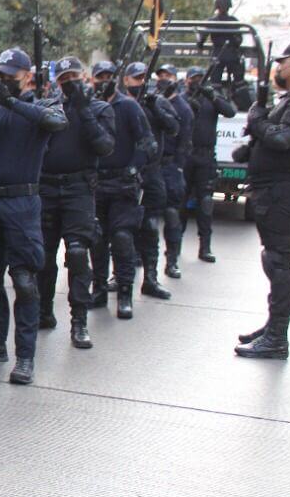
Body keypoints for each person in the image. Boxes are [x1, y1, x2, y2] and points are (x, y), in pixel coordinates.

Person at [0, 48, 67, 384]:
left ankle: (25, 356)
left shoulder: (43, 104)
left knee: (23, 281)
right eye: (1, 72)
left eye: (12, 73)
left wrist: (11, 102)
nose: (5, 78)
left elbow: (55, 123)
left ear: (26, 75)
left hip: (22, 203)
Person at [235, 42, 290, 359]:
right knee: (272, 260)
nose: (279, 68)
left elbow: (284, 139)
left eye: (283, 62)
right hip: (272, 190)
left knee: (279, 262)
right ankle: (273, 326)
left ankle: (277, 337)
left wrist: (257, 119)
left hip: (283, 191)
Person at [35, 55, 114, 351]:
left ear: (84, 77)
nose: (69, 84)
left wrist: (83, 110)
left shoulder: (99, 109)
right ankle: (43, 311)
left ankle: (79, 321)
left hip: (79, 188)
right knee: (43, 254)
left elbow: (105, 146)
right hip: (47, 187)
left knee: (79, 253)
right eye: (64, 79)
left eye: (74, 78)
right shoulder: (51, 107)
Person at [89, 62, 153, 319]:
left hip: (123, 184)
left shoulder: (128, 106)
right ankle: (99, 288)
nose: (104, 80)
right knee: (96, 240)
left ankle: (125, 292)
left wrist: (134, 168)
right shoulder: (89, 107)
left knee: (123, 239)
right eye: (99, 76)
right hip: (95, 183)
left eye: (108, 76)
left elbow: (146, 141)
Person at [134, 63, 182, 300]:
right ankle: (116, 278)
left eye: (143, 77)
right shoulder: (122, 102)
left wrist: (155, 107)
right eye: (135, 78)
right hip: (125, 174)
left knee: (151, 225)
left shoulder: (159, 102)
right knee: (118, 230)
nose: (139, 82)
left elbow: (174, 128)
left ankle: (151, 278)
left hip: (153, 172)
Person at [183, 66, 236, 263]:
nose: (196, 81)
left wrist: (213, 96)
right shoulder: (182, 97)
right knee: (179, 203)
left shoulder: (210, 98)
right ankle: (174, 248)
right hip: (186, 155)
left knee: (205, 203)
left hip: (205, 156)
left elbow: (229, 111)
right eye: (193, 78)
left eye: (199, 78)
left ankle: (205, 247)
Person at [162, 67, 196, 278]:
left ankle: (172, 260)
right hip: (151, 167)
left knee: (172, 215)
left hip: (171, 166)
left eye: (168, 76)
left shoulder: (183, 108)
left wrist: (178, 167)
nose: (163, 80)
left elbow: (185, 142)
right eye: (161, 76)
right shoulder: (153, 101)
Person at [200, 0, 244, 87]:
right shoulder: (234, 20)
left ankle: (217, 97)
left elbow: (202, 39)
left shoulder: (212, 21)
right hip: (232, 54)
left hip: (218, 54)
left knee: (215, 84)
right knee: (239, 83)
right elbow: (239, 40)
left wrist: (200, 43)